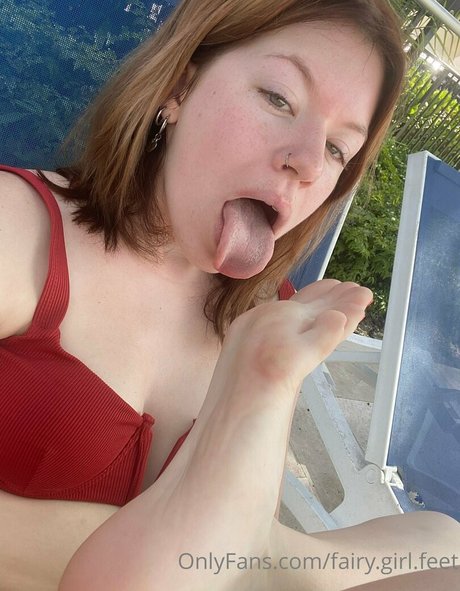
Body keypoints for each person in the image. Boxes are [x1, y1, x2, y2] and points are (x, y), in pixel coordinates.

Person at [0, 0, 458, 589]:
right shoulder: (18, 229)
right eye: (278, 98)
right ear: (179, 87)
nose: (308, 163)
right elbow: (224, 562)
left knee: (446, 543)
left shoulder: (272, 320)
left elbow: (239, 539)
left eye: (338, 149)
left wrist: (264, 387)